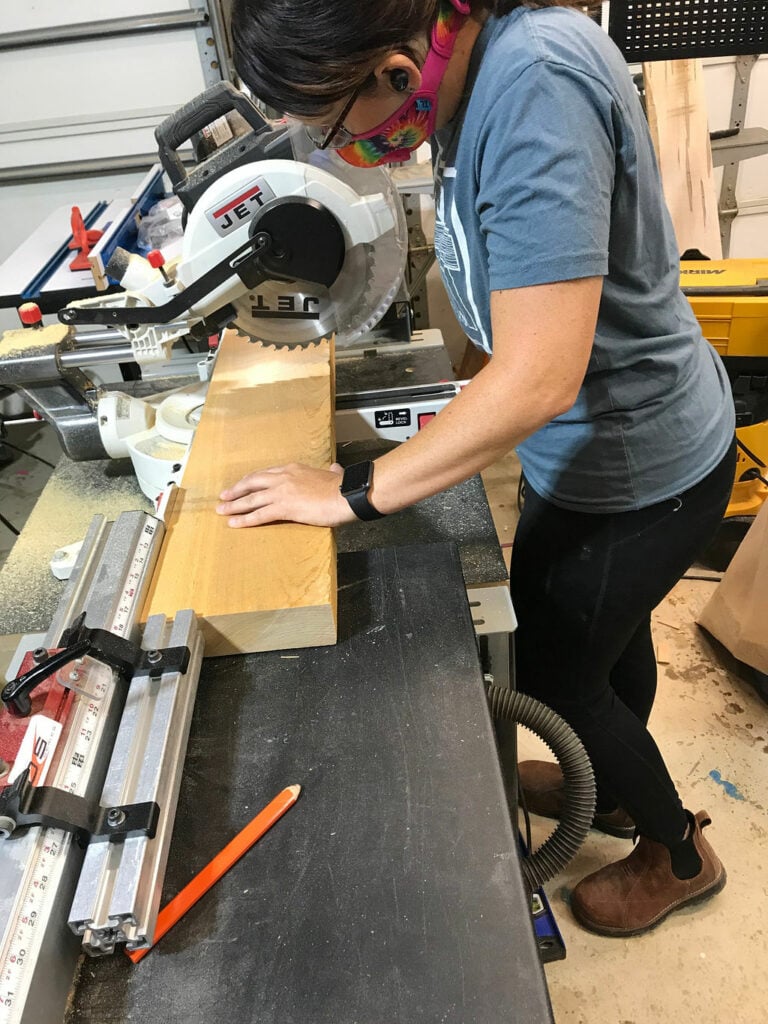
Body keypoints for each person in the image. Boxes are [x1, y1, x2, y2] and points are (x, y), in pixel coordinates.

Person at [224, 0, 735, 937]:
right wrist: (438, 407)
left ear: (392, 69)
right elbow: (514, 296)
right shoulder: (469, 90)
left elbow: (540, 370)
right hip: (588, 448)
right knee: (604, 642)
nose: (334, 148)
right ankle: (616, 792)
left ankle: (678, 853)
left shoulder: (532, 84)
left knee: (554, 664)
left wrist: (355, 492)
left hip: (637, 463)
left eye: (331, 122)